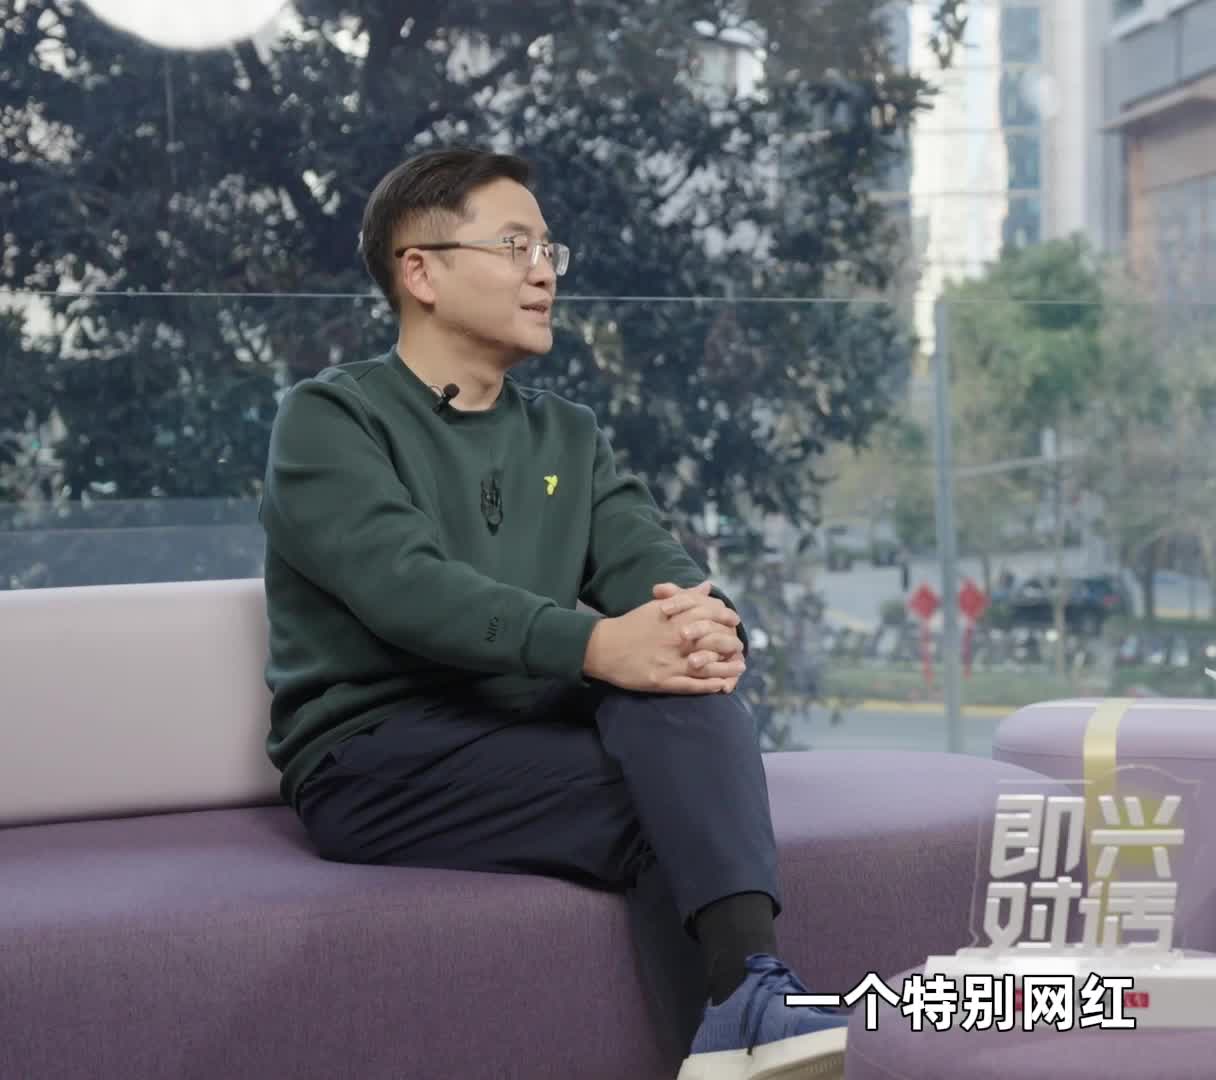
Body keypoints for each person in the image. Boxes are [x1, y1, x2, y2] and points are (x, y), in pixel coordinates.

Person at [259, 147, 848, 1080]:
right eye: (515, 246)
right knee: (676, 803)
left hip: (525, 730)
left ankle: (746, 1011)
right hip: (377, 757)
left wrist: (706, 626)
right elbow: (407, 588)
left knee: (682, 701)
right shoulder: (332, 419)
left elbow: (654, 564)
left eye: (548, 250)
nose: (544, 272)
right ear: (421, 272)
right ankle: (748, 1014)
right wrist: (597, 644)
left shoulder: (566, 433)